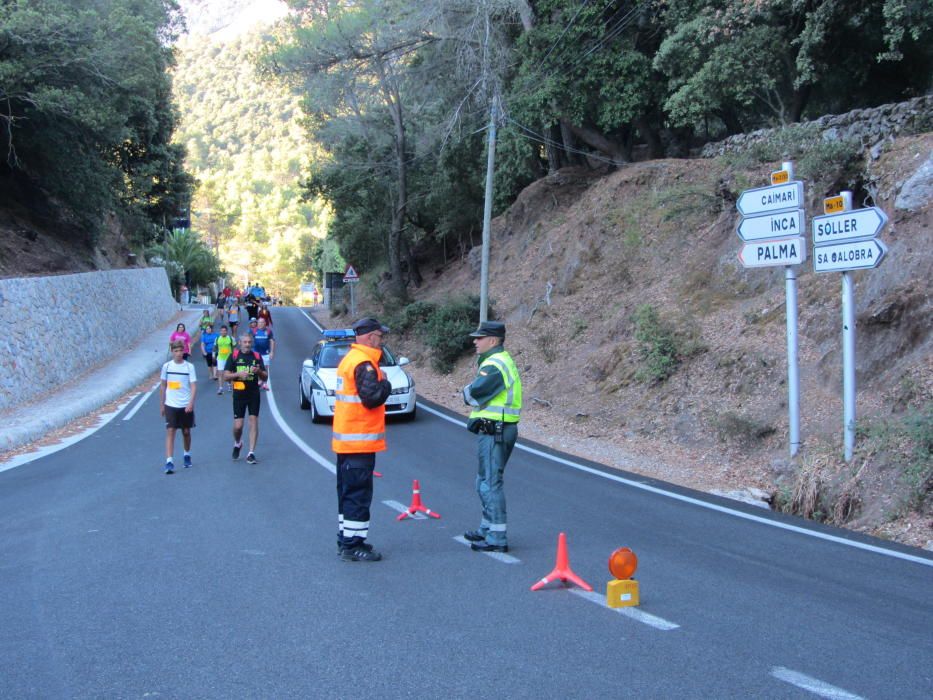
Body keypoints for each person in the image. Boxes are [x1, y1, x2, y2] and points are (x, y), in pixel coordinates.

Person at [332, 317, 393, 562]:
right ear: (370, 337)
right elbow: (371, 398)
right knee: (358, 493)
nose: (382, 339)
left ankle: (346, 538)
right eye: (380, 335)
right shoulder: (365, 363)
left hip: (348, 441)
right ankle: (353, 544)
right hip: (359, 442)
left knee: (347, 492)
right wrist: (386, 384)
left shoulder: (350, 359)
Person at [461, 321, 522, 553]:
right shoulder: (498, 361)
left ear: (493, 341)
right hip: (496, 428)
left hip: (495, 429)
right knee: (484, 481)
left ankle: (497, 537)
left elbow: (475, 394)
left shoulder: (494, 364)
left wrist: (466, 391)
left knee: (490, 483)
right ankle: (487, 528)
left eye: (479, 337)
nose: (475, 341)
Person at [223, 332, 267, 464]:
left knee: (253, 421)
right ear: (240, 343)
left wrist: (258, 371)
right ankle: (238, 443)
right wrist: (238, 373)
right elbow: (225, 376)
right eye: (245, 342)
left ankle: (251, 452)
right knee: (238, 426)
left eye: (249, 342)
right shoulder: (234, 356)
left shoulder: (257, 357)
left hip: (253, 393)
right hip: (239, 393)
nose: (247, 344)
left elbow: (265, 377)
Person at [160, 340, 198, 474]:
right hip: (171, 404)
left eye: (180, 351)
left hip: (185, 404)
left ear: (184, 351)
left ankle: (187, 454)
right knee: (170, 431)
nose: (178, 353)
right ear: (172, 352)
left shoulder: (189, 367)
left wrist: (191, 402)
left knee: (186, 432)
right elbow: (163, 385)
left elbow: (193, 385)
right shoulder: (167, 367)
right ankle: (169, 461)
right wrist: (162, 404)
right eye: (175, 351)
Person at [250, 317, 275, 390]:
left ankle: (265, 384)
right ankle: (258, 381)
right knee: (256, 368)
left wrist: (272, 352)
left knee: (265, 369)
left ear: (265, 323)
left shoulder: (268, 331)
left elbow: (272, 341)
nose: (260, 324)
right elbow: (249, 340)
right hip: (256, 353)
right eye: (259, 322)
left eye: (262, 322)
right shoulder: (253, 331)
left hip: (266, 353)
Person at [214, 324, 234, 394]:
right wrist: (214, 355)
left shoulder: (230, 338)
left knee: (228, 373)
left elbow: (234, 346)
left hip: (229, 358)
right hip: (220, 358)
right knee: (220, 373)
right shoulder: (217, 339)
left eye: (225, 331)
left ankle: (229, 385)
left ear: (227, 331)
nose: (223, 332)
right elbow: (215, 347)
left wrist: (234, 356)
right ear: (220, 332)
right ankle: (220, 388)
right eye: (222, 331)